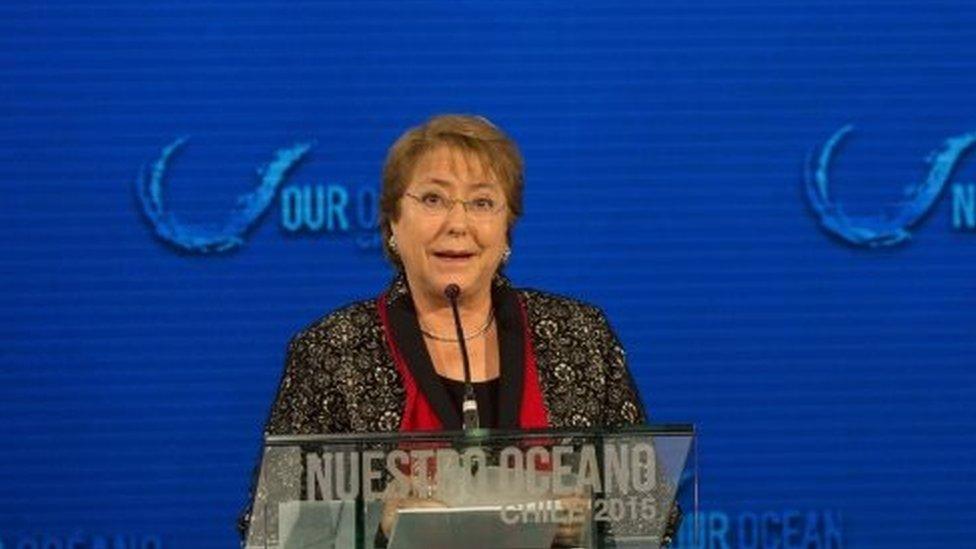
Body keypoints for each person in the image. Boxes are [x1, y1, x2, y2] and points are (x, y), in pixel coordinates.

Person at [240, 114, 669, 545]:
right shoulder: (332, 351)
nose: (457, 224)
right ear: (392, 224)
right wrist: (375, 522)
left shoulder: (581, 338)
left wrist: (592, 520)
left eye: (482, 203)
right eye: (433, 200)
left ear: (507, 230)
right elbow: (268, 533)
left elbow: (650, 515)